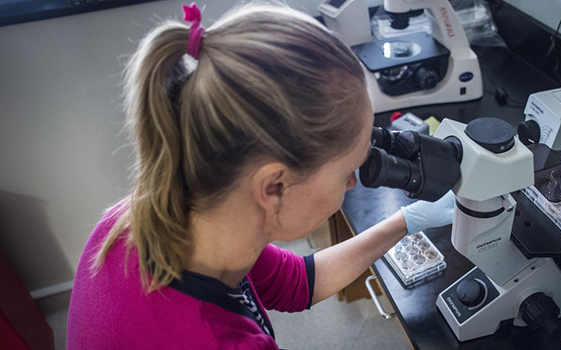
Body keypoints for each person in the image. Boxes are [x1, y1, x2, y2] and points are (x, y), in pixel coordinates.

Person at [66, 2, 454, 349]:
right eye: (346, 172)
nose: (353, 183)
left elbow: (298, 284)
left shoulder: (149, 218)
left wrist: (407, 220)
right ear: (274, 188)